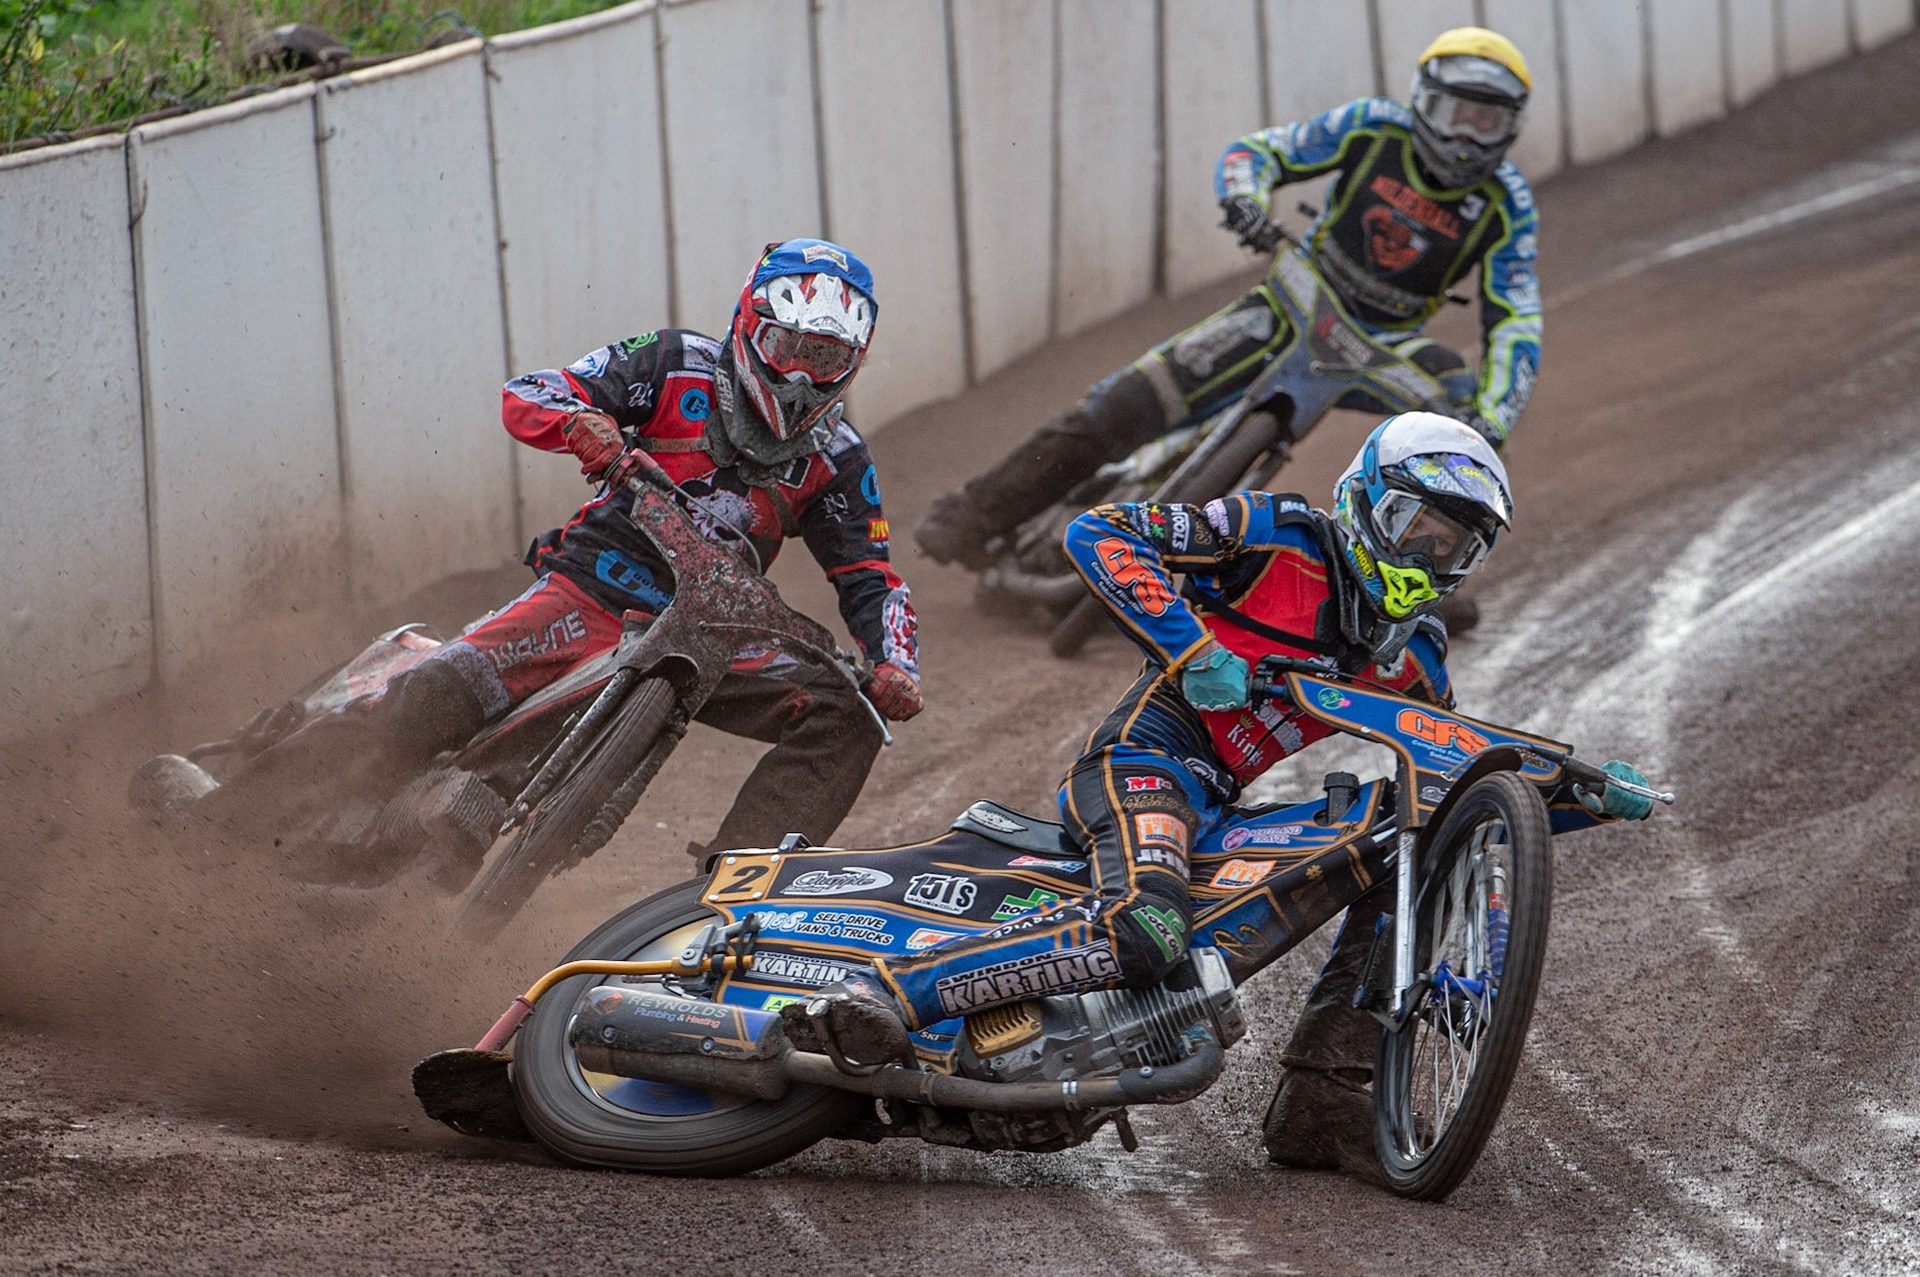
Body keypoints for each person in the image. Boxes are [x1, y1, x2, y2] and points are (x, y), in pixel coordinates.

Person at [783, 413, 1651, 1179]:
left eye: (1452, 546)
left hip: (1221, 804)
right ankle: (892, 998)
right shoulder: (1275, 533)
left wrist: (1583, 796)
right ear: (1365, 499)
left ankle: (1325, 1099)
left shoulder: (1415, 650)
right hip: (1142, 762)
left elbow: (1458, 782)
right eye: (1415, 527)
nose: (1426, 556)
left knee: (1404, 830)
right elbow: (1102, 533)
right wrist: (1192, 649)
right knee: (1146, 927)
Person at [156, 238, 920, 871]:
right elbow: (532, 391)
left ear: (853, 359)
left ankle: (727, 898)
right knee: (434, 698)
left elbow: (872, 578)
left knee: (847, 714)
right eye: (787, 346)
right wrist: (585, 425)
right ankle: (212, 834)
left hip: (717, 635)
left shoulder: (838, 457)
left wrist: (893, 663)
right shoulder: (673, 362)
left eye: (822, 356)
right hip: (593, 591)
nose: (797, 375)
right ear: (752, 325)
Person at [914, 27, 1543, 584]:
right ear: (1421, 100)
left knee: (1462, 442)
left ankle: (1417, 589)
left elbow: (1517, 316)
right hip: (1296, 298)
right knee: (1128, 400)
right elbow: (1263, 150)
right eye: (1453, 113)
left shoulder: (1508, 204)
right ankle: (972, 515)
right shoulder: (1371, 125)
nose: (1464, 136)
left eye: (1484, 122)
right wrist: (1244, 199)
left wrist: (1493, 418)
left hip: (1389, 343)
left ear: (1510, 127)